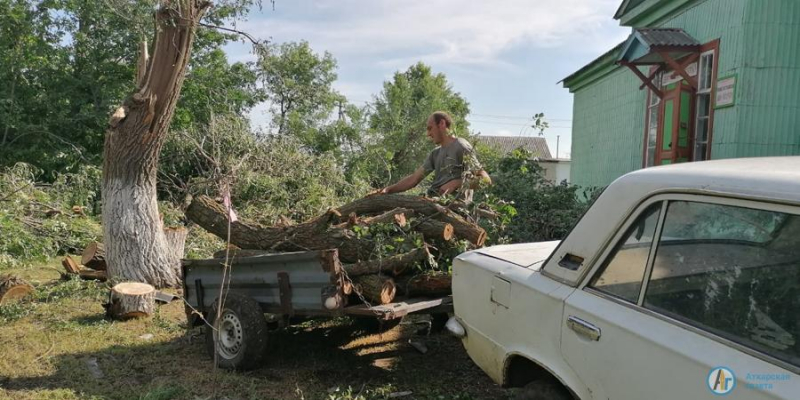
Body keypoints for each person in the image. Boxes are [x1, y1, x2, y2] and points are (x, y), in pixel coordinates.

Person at [373, 111, 491, 199]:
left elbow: (486, 180)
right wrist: (388, 190)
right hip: (433, 204)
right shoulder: (435, 153)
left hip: (455, 210)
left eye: (430, 128)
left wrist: (456, 183)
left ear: (442, 124)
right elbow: (414, 179)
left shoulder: (461, 146)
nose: (428, 134)